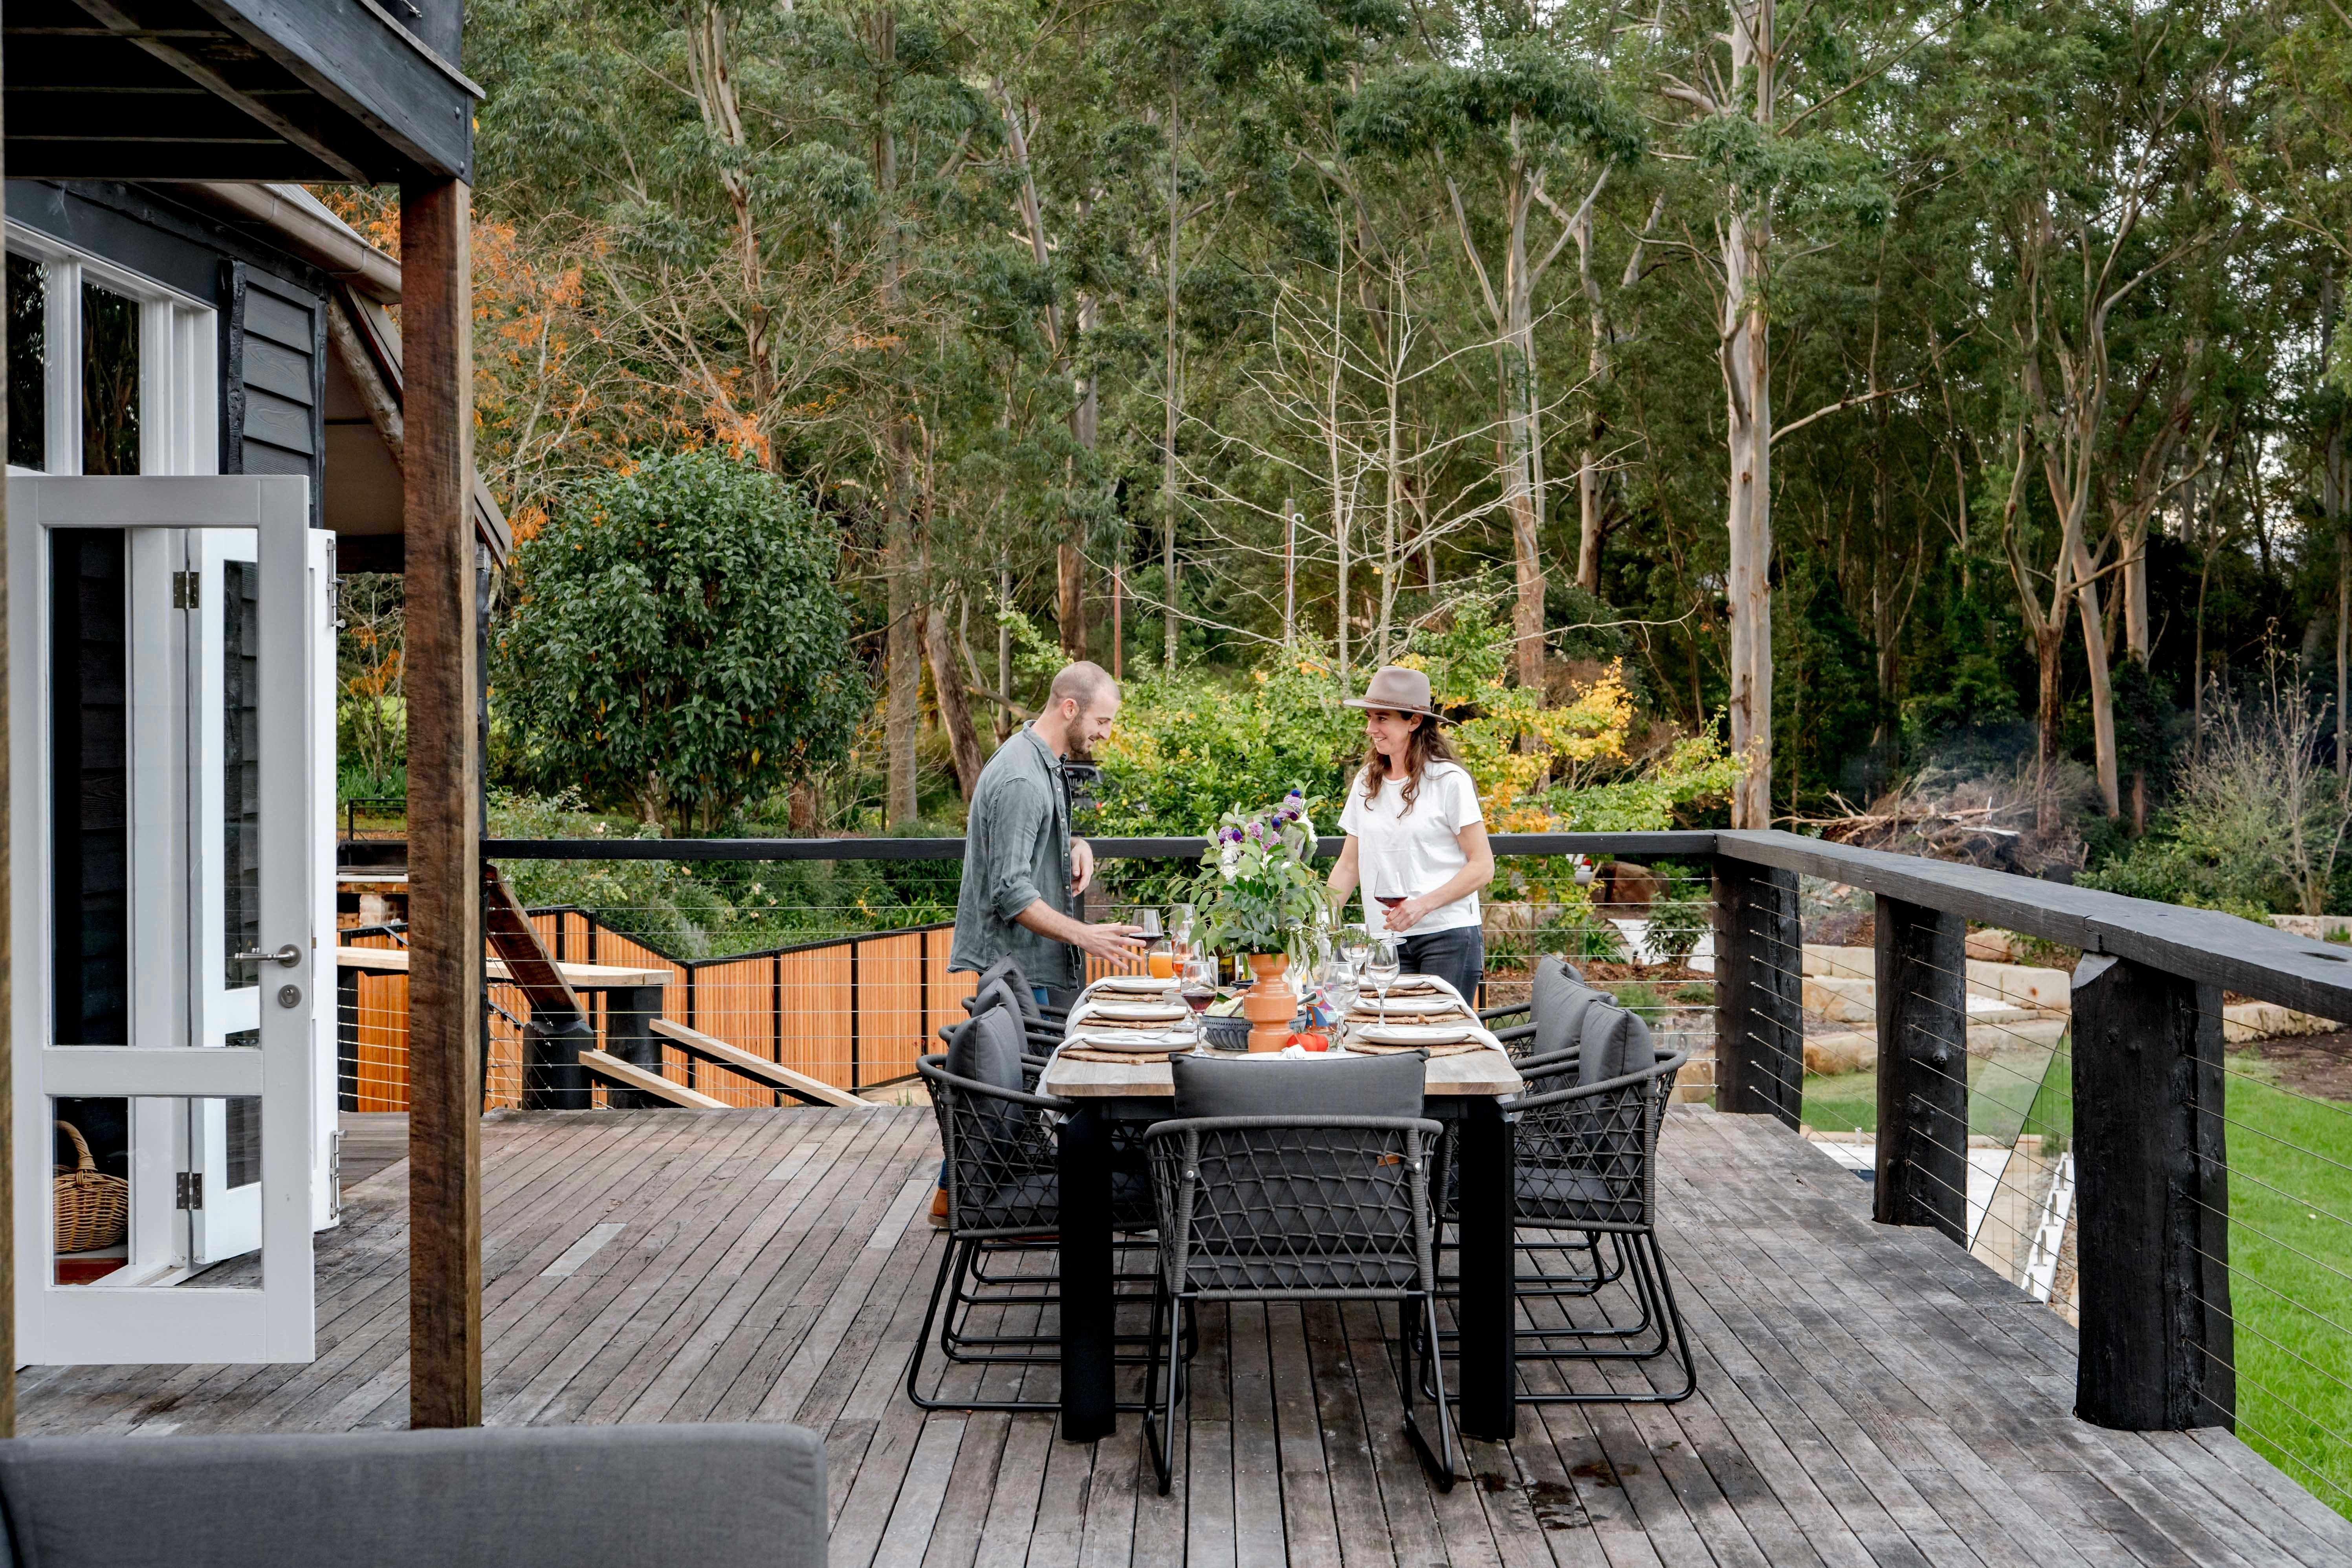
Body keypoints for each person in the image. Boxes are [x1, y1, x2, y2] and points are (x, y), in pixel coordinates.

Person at [939, 661, 1144, 1221]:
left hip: (1033, 963)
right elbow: (1010, 891)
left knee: (1015, 1096)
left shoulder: (1042, 761)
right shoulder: (1022, 779)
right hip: (1017, 967)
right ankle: (961, 1198)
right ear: (1070, 708)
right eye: (1102, 721)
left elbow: (1034, 840)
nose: (1106, 734)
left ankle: (959, 1194)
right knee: (1011, 1097)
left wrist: (1076, 844)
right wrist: (1085, 934)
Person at [1325, 665, 1495, 1005]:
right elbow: (1348, 865)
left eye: (1382, 718)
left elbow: (1482, 866)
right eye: (1369, 717)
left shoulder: (1449, 781)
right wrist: (1317, 924)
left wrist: (1421, 906)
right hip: (1385, 941)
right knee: (1390, 1032)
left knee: (1438, 1033)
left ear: (1414, 721)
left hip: (1447, 937)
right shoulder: (1366, 782)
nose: (1370, 728)